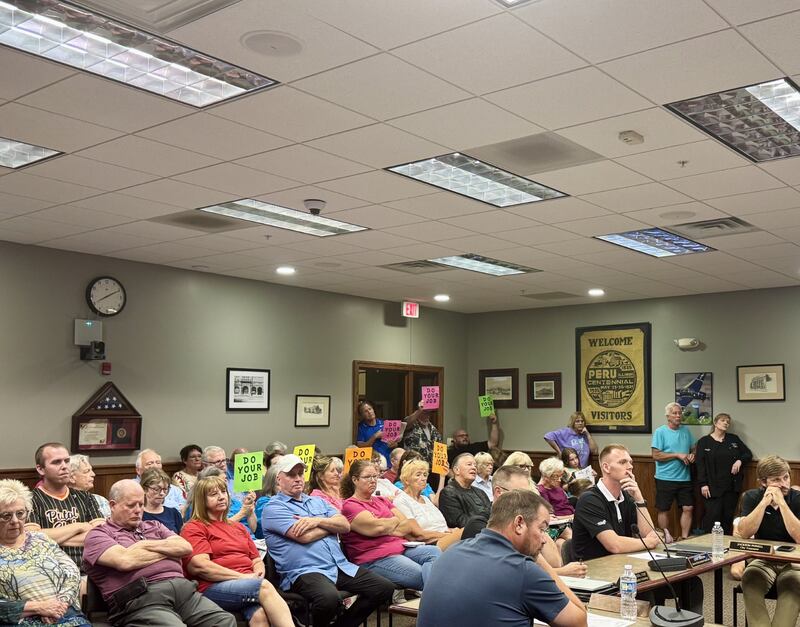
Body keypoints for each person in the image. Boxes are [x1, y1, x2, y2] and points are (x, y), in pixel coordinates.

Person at [417, 489, 588, 627]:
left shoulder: (453, 551)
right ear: (519, 523)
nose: (544, 539)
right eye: (542, 529)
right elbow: (579, 622)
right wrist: (540, 562)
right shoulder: (523, 571)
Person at [83, 479, 237, 627]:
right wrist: (169, 550)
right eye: (131, 505)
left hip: (185, 593)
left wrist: (144, 545)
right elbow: (125, 561)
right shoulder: (98, 535)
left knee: (225, 621)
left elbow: (185, 548)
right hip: (142, 599)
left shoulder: (154, 525)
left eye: (141, 504)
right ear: (112, 505)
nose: (138, 510)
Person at [263, 454, 394, 627]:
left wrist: (317, 521)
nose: (298, 479)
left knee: (384, 588)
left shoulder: (317, 501)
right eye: (291, 475)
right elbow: (304, 537)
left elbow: (345, 525)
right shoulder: (273, 507)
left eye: (301, 474)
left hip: (338, 565)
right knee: (328, 599)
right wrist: (331, 528)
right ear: (279, 479)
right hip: (305, 571)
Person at [572, 444, 703, 613]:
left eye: (631, 462)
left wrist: (639, 498)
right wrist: (648, 542)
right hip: (598, 576)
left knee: (691, 584)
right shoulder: (589, 499)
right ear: (606, 467)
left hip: (624, 569)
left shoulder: (626, 496)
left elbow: (649, 533)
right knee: (642, 591)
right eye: (623, 462)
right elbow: (615, 545)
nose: (630, 466)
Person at [181, 475, 293, 627]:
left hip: (246, 583)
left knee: (259, 615)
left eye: (223, 492)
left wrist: (258, 572)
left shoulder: (238, 527)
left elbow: (256, 559)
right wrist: (243, 577)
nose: (221, 497)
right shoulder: (194, 527)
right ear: (201, 500)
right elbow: (200, 566)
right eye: (214, 494)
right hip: (212, 587)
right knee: (264, 587)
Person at [0, 479, 91, 627]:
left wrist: (60, 604)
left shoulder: (40, 539)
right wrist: (40, 607)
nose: (15, 521)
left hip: (65, 615)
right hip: (21, 622)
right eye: (6, 516)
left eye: (20, 513)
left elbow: (72, 572)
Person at [340, 460, 441, 590]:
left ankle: (433, 597)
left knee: (434, 551)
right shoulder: (350, 505)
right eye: (367, 477)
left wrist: (384, 524)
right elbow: (377, 528)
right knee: (421, 574)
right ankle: (435, 599)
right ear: (355, 480)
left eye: (375, 476)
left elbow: (408, 524)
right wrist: (393, 521)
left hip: (401, 548)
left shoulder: (381, 500)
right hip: (375, 558)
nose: (373, 480)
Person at [738, 455, 800, 627]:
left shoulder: (797, 498)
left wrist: (781, 503)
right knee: (749, 579)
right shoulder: (751, 497)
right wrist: (764, 503)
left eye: (786, 477)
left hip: (794, 562)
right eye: (776, 480)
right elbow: (744, 532)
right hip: (763, 559)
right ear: (764, 482)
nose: (784, 484)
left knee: (793, 585)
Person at [25, 442, 104, 571]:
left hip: (90, 569)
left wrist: (53, 537)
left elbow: (100, 535)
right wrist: (79, 526)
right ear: (40, 469)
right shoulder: (30, 500)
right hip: (51, 571)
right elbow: (34, 538)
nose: (64, 466)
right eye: (56, 462)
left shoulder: (86, 497)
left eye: (66, 461)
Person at [695, 412, 752, 534]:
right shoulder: (704, 442)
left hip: (731, 486)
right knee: (712, 515)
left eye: (728, 422)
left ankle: (725, 544)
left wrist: (739, 461)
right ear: (715, 423)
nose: (726, 423)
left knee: (727, 516)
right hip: (711, 486)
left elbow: (747, 454)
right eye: (723, 420)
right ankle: (708, 542)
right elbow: (700, 465)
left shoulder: (733, 439)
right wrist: (703, 484)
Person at [393, 459, 462, 550]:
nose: (423, 478)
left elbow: (440, 525)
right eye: (418, 475)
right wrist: (446, 535)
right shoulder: (401, 500)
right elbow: (419, 535)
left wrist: (453, 531)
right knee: (472, 528)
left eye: (425, 475)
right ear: (406, 480)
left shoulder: (426, 499)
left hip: (445, 537)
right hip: (430, 544)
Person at [652, 402, 696, 540]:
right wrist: (677, 455)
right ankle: (667, 536)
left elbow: (694, 448)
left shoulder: (686, 431)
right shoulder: (660, 432)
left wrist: (692, 454)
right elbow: (656, 455)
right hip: (665, 477)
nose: (678, 416)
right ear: (668, 416)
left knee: (688, 508)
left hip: (684, 477)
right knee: (663, 509)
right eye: (674, 413)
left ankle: (684, 537)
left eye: (679, 413)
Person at [439, 453, 491, 529]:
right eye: (469, 464)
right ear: (456, 470)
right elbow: (460, 522)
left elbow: (492, 515)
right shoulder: (448, 493)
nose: (474, 468)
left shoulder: (481, 492)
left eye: (475, 465)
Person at [356, 400, 405, 466]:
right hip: (372, 462)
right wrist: (375, 436)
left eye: (370, 409)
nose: (369, 412)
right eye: (365, 411)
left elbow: (395, 444)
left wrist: (393, 444)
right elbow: (360, 446)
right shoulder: (361, 427)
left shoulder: (384, 424)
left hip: (388, 460)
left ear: (373, 409)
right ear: (362, 415)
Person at [68, 453, 111, 518]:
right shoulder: (63, 503)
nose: (93, 474)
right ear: (71, 477)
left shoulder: (101, 500)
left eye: (91, 470)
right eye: (87, 471)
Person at [142, 468, 183, 534]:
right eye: (156, 489)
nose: (162, 493)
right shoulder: (138, 514)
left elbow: (182, 538)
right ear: (144, 489)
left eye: (165, 489)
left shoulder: (173, 513)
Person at [401, 400, 439, 466]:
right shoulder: (412, 424)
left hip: (430, 469)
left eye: (429, 413)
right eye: (425, 412)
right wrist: (420, 410)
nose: (427, 415)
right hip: (413, 466)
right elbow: (406, 424)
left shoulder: (433, 429)